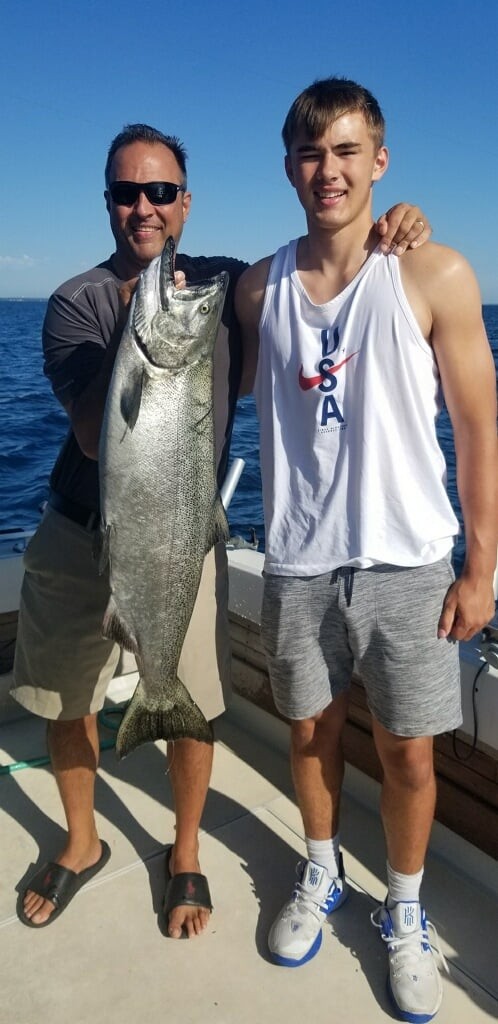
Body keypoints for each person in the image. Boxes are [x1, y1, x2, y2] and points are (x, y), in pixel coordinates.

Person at [12, 121, 431, 939]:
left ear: (185, 203)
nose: (144, 206)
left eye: (161, 191)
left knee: (191, 703)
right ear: (108, 203)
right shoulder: (75, 302)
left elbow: (323, 277)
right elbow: (95, 436)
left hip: (180, 530)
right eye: (127, 192)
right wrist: (134, 333)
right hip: (78, 526)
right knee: (66, 702)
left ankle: (187, 849)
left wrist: (395, 226)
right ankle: (82, 841)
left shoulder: (226, 285)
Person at [235, 78, 497, 1022]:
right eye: (311, 154)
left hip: (409, 563)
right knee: (310, 731)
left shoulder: (437, 273)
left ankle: (408, 908)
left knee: (409, 754)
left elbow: (478, 424)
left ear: (379, 160)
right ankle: (322, 871)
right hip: (298, 559)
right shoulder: (257, 289)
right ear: (288, 167)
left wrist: (482, 567)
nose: (329, 170)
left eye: (347, 151)